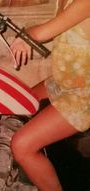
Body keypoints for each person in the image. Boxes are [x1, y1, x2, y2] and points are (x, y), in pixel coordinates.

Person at [9, 0, 90, 190]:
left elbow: (42, 32)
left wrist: (26, 36)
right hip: (67, 82)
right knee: (19, 100)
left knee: (22, 146)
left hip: (84, 94)